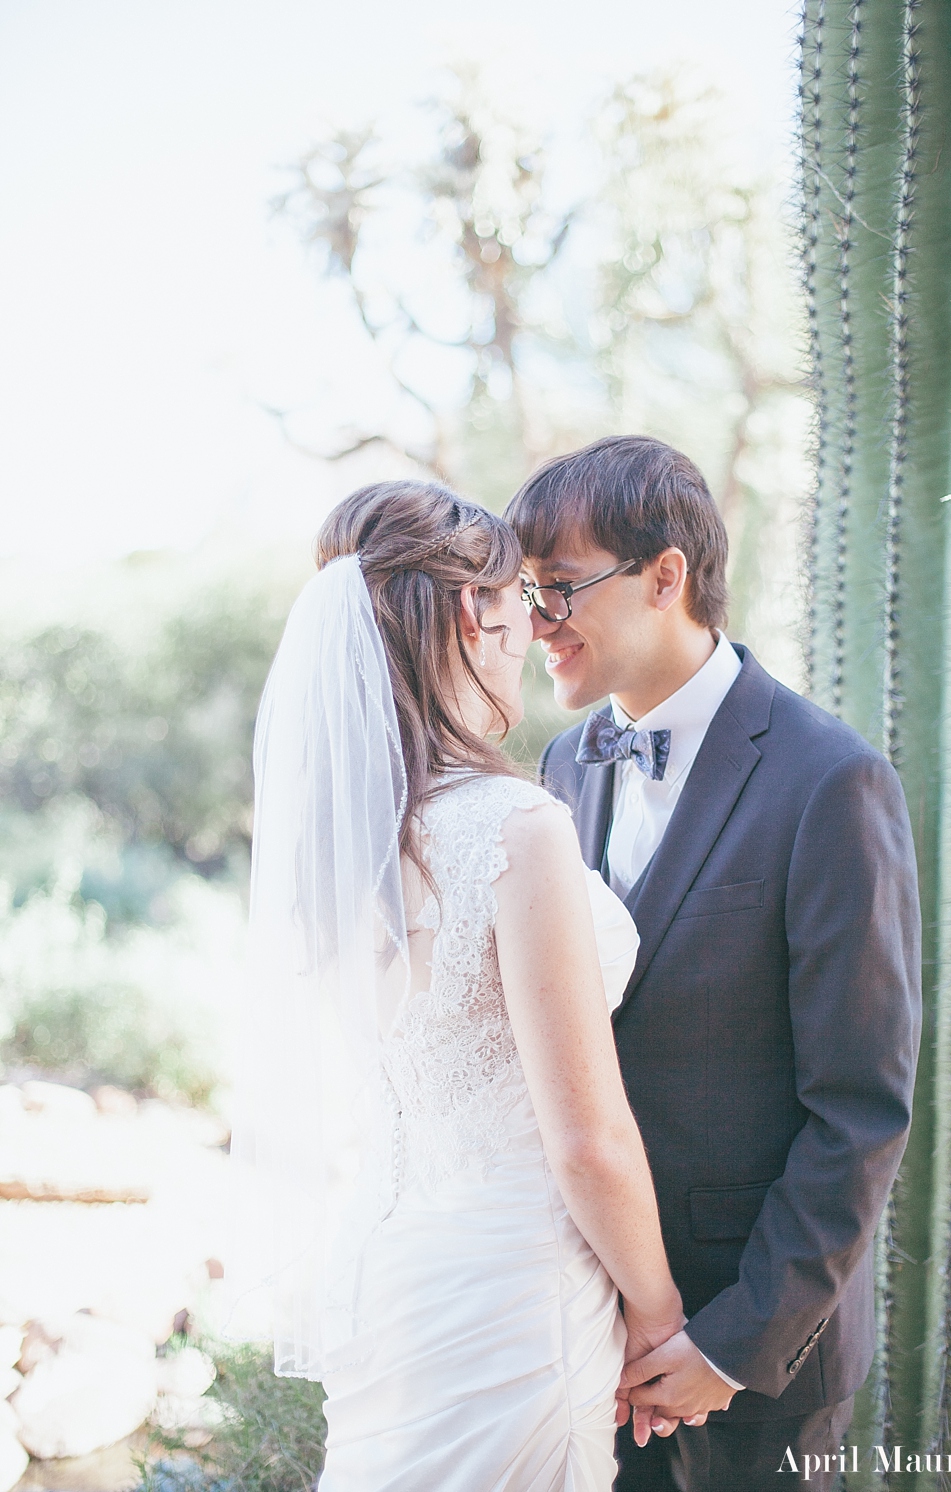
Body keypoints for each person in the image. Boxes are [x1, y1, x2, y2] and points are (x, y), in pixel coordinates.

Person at [229, 479, 687, 1492]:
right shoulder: (511, 829)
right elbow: (586, 1139)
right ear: (467, 622)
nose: (533, 622)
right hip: (512, 1292)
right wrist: (655, 1315)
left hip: (389, 1270)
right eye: (516, 595)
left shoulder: (339, 847)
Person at [505, 435, 922, 1492]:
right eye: (524, 592)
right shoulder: (561, 765)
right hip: (588, 1327)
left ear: (664, 575)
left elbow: (859, 1109)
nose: (533, 623)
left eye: (557, 587)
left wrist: (732, 1344)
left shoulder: (829, 780)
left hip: (759, 1355)